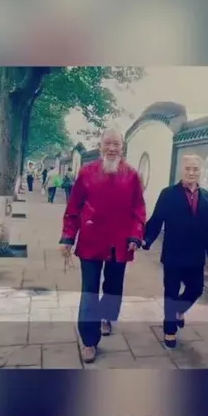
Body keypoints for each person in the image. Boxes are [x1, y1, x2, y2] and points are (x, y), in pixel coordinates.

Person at [60, 128, 146, 363]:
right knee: (89, 290)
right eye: (107, 144)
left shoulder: (132, 175)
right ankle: (89, 340)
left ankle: (107, 315)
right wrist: (68, 237)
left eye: (116, 144)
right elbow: (74, 207)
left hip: (120, 243)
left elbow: (139, 208)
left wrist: (136, 235)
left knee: (113, 287)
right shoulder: (86, 173)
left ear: (122, 147)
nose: (111, 148)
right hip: (91, 241)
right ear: (100, 147)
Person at [142, 154, 208, 348]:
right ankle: (169, 330)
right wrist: (147, 239)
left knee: (196, 289)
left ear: (200, 171)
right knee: (171, 292)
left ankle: (179, 310)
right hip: (173, 253)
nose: (191, 172)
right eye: (188, 169)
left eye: (195, 169)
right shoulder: (168, 194)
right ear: (181, 170)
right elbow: (157, 219)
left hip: (196, 254)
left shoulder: (207, 197)